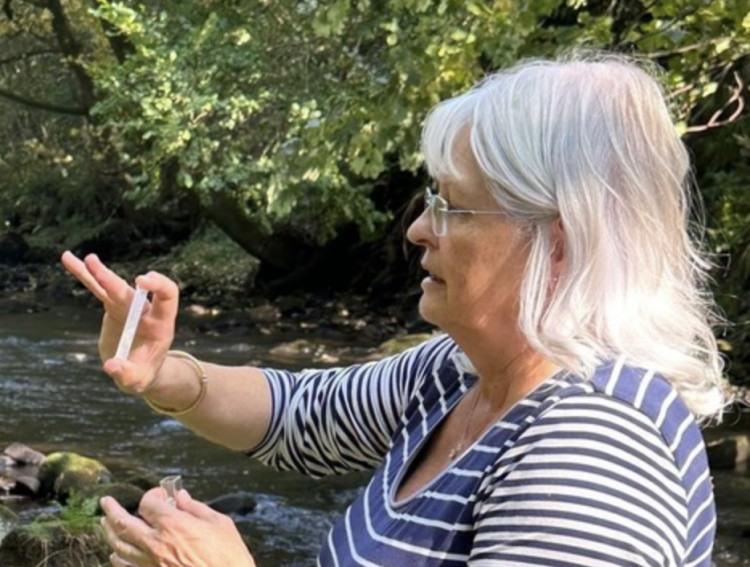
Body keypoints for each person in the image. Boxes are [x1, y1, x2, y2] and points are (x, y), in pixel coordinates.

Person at [61, 50, 726, 567]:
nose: (418, 230)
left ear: (558, 241)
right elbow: (300, 414)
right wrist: (160, 372)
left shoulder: (595, 447)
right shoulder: (460, 372)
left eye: (452, 204)